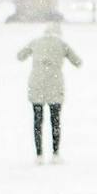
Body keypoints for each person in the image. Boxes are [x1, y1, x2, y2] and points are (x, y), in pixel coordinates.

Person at [15, 22, 82, 161]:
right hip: (55, 85)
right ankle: (55, 154)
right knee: (55, 120)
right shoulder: (62, 44)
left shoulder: (35, 42)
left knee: (37, 120)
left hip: (36, 84)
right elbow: (77, 62)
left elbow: (20, 56)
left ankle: (39, 155)